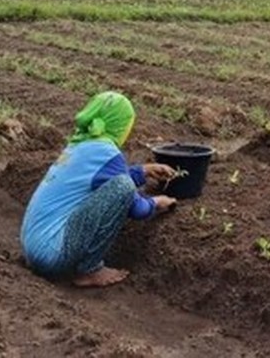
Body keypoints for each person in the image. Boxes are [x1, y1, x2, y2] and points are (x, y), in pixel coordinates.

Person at [21, 91, 178, 287]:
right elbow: (135, 207)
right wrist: (156, 203)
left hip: (34, 248)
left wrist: (142, 172)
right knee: (124, 186)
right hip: (53, 254)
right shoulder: (106, 152)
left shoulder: (80, 146)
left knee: (123, 184)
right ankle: (90, 269)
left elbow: (99, 181)